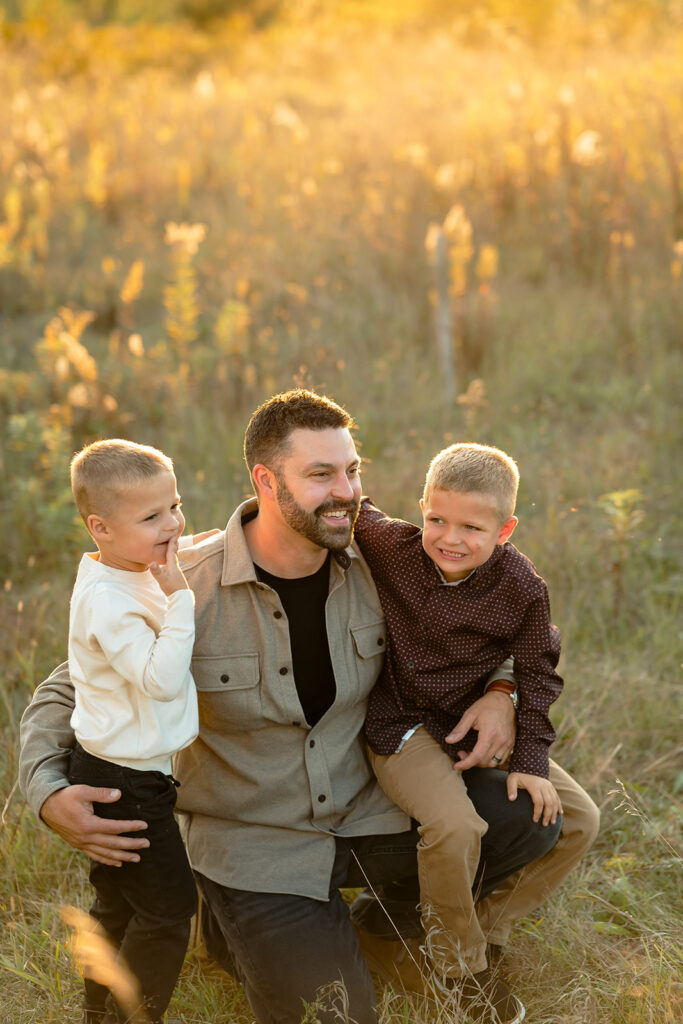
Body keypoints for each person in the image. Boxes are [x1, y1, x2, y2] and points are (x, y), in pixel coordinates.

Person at [21, 390, 567, 1024]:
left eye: (352, 470)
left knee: (530, 816)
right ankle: (234, 925)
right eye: (320, 475)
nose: (346, 491)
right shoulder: (180, 581)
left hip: (368, 810)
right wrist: (44, 785)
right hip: (256, 843)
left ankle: (385, 930)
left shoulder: (385, 562)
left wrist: (503, 690)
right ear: (266, 480)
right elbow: (69, 685)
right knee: (333, 1014)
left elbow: (482, 618)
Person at [353, 442, 600, 1019]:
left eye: (472, 526)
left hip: (467, 720)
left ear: (505, 529)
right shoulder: (395, 547)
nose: (449, 538)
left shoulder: (522, 588)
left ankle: (484, 933)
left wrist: (531, 762)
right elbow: (343, 502)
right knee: (455, 823)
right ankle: (458, 968)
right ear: (421, 508)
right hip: (400, 723)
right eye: (436, 519)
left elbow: (539, 673)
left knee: (579, 820)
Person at [65, 439, 200, 1024]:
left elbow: (186, 544)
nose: (172, 524)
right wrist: (182, 603)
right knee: (169, 909)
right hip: (127, 780)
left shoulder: (127, 565)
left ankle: (100, 1012)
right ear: (102, 527)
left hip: (118, 767)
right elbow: (160, 679)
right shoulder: (109, 603)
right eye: (152, 517)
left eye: (174, 506)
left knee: (118, 904)